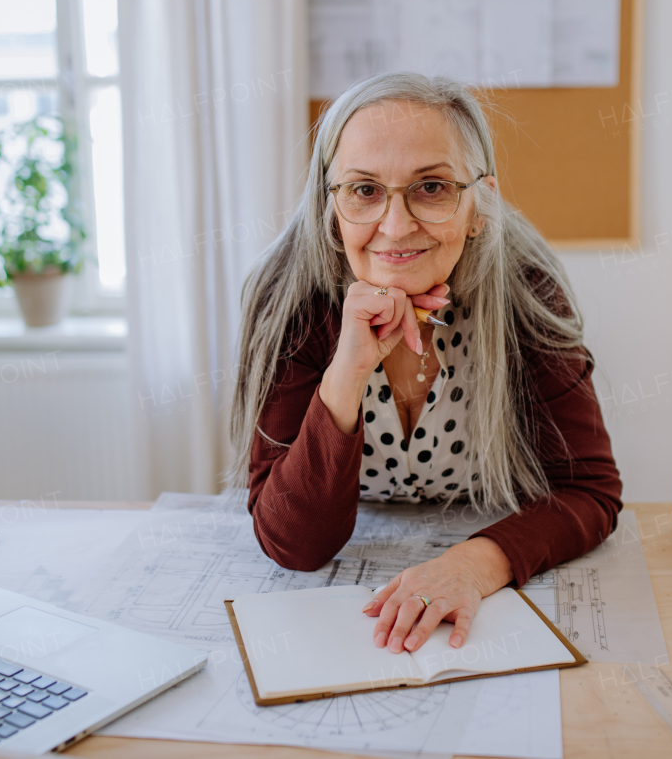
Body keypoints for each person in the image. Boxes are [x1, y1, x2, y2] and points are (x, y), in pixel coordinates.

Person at [229, 72, 622, 657]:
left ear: (479, 204)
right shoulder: (290, 298)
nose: (395, 225)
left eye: (432, 186)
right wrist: (346, 371)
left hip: (480, 564)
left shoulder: (526, 291)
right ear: (328, 205)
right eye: (363, 190)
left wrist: (470, 566)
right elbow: (294, 545)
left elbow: (589, 490)